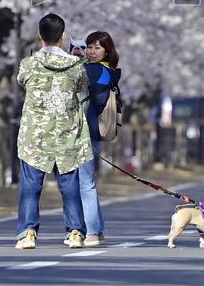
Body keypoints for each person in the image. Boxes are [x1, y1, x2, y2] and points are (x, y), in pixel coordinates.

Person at [14, 13, 93, 250]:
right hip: (66, 135)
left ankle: (28, 232)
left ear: (39, 35)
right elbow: (82, 88)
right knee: (69, 186)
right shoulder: (76, 67)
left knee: (30, 187)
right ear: (63, 36)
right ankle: (76, 232)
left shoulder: (29, 64)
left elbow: (21, 81)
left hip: (34, 137)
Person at [72, 30, 122, 247]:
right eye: (88, 47)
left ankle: (91, 231)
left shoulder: (94, 71)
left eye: (96, 48)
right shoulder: (108, 71)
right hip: (93, 133)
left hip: (86, 132)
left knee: (85, 184)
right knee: (87, 181)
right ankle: (98, 229)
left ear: (106, 51)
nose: (91, 52)